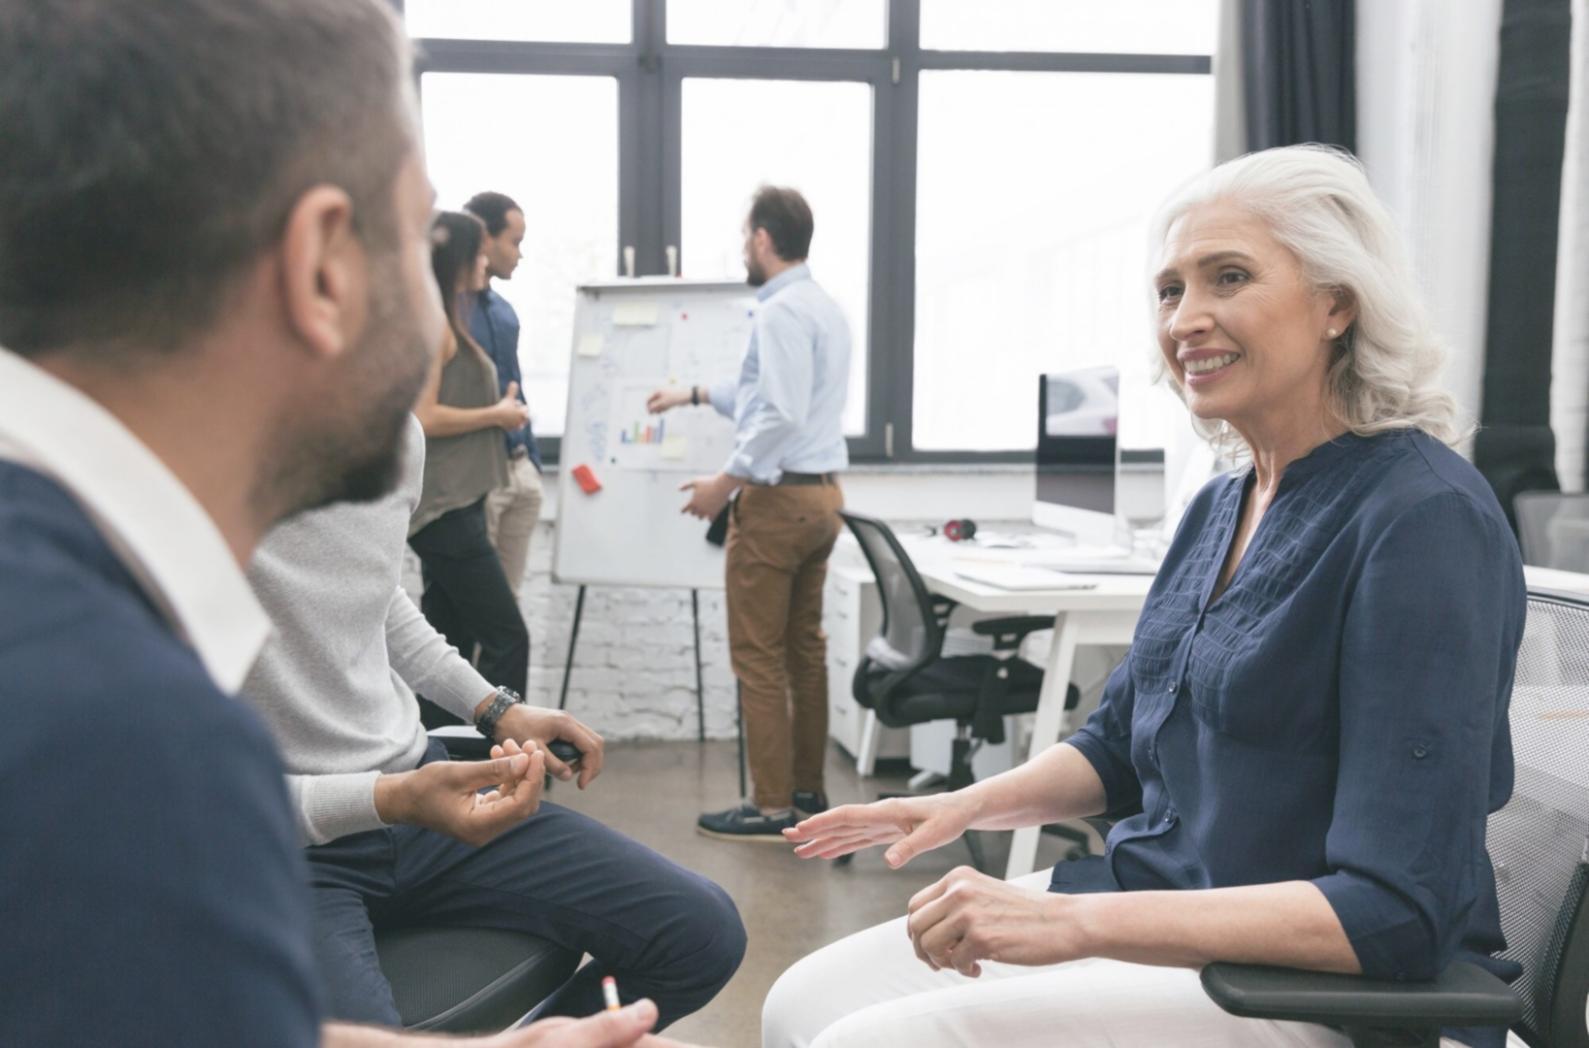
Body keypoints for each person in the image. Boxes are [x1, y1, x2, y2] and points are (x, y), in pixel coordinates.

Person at [0, 1, 698, 1045]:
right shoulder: (124, 729)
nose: (439, 316)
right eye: (417, 244)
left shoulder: (78, 619)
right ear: (324, 267)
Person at [764, 145, 1525, 1048]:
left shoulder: (1422, 519)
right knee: (797, 1003)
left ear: (1337, 303)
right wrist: (962, 806)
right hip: (1165, 908)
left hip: (1317, 991)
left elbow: (1396, 911)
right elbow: (1119, 745)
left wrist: (1071, 924)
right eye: (1169, 290)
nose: (1185, 319)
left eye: (1228, 277)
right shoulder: (1222, 503)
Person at [242, 412, 746, 1028]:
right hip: (279, 845)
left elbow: (377, 592)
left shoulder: (397, 432)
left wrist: (495, 709)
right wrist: (391, 797)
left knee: (701, 935)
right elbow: (170, 797)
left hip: (416, 810)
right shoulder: (187, 449)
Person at [646, 186, 851, 841]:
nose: (743, 249)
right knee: (804, 652)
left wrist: (723, 483)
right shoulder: (823, 308)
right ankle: (806, 793)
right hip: (822, 498)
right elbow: (765, 394)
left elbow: (779, 413)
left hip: (778, 503)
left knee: (758, 658)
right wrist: (693, 394)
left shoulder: (780, 312)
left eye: (745, 237)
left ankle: (769, 808)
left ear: (763, 238)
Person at [409, 210, 532, 718]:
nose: (486, 263)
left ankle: (439, 753)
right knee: (508, 637)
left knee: (448, 639)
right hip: (444, 509)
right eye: (479, 254)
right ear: (459, 259)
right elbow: (423, 416)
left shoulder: (446, 316)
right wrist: (497, 415)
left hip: (456, 503)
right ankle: (508, 749)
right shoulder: (434, 324)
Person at [464, 191, 545, 600]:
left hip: (518, 468)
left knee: (507, 609)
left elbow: (516, 386)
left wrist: (531, 461)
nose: (519, 254)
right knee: (472, 609)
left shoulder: (504, 313)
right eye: (515, 242)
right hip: (476, 478)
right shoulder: (447, 314)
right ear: (484, 238)